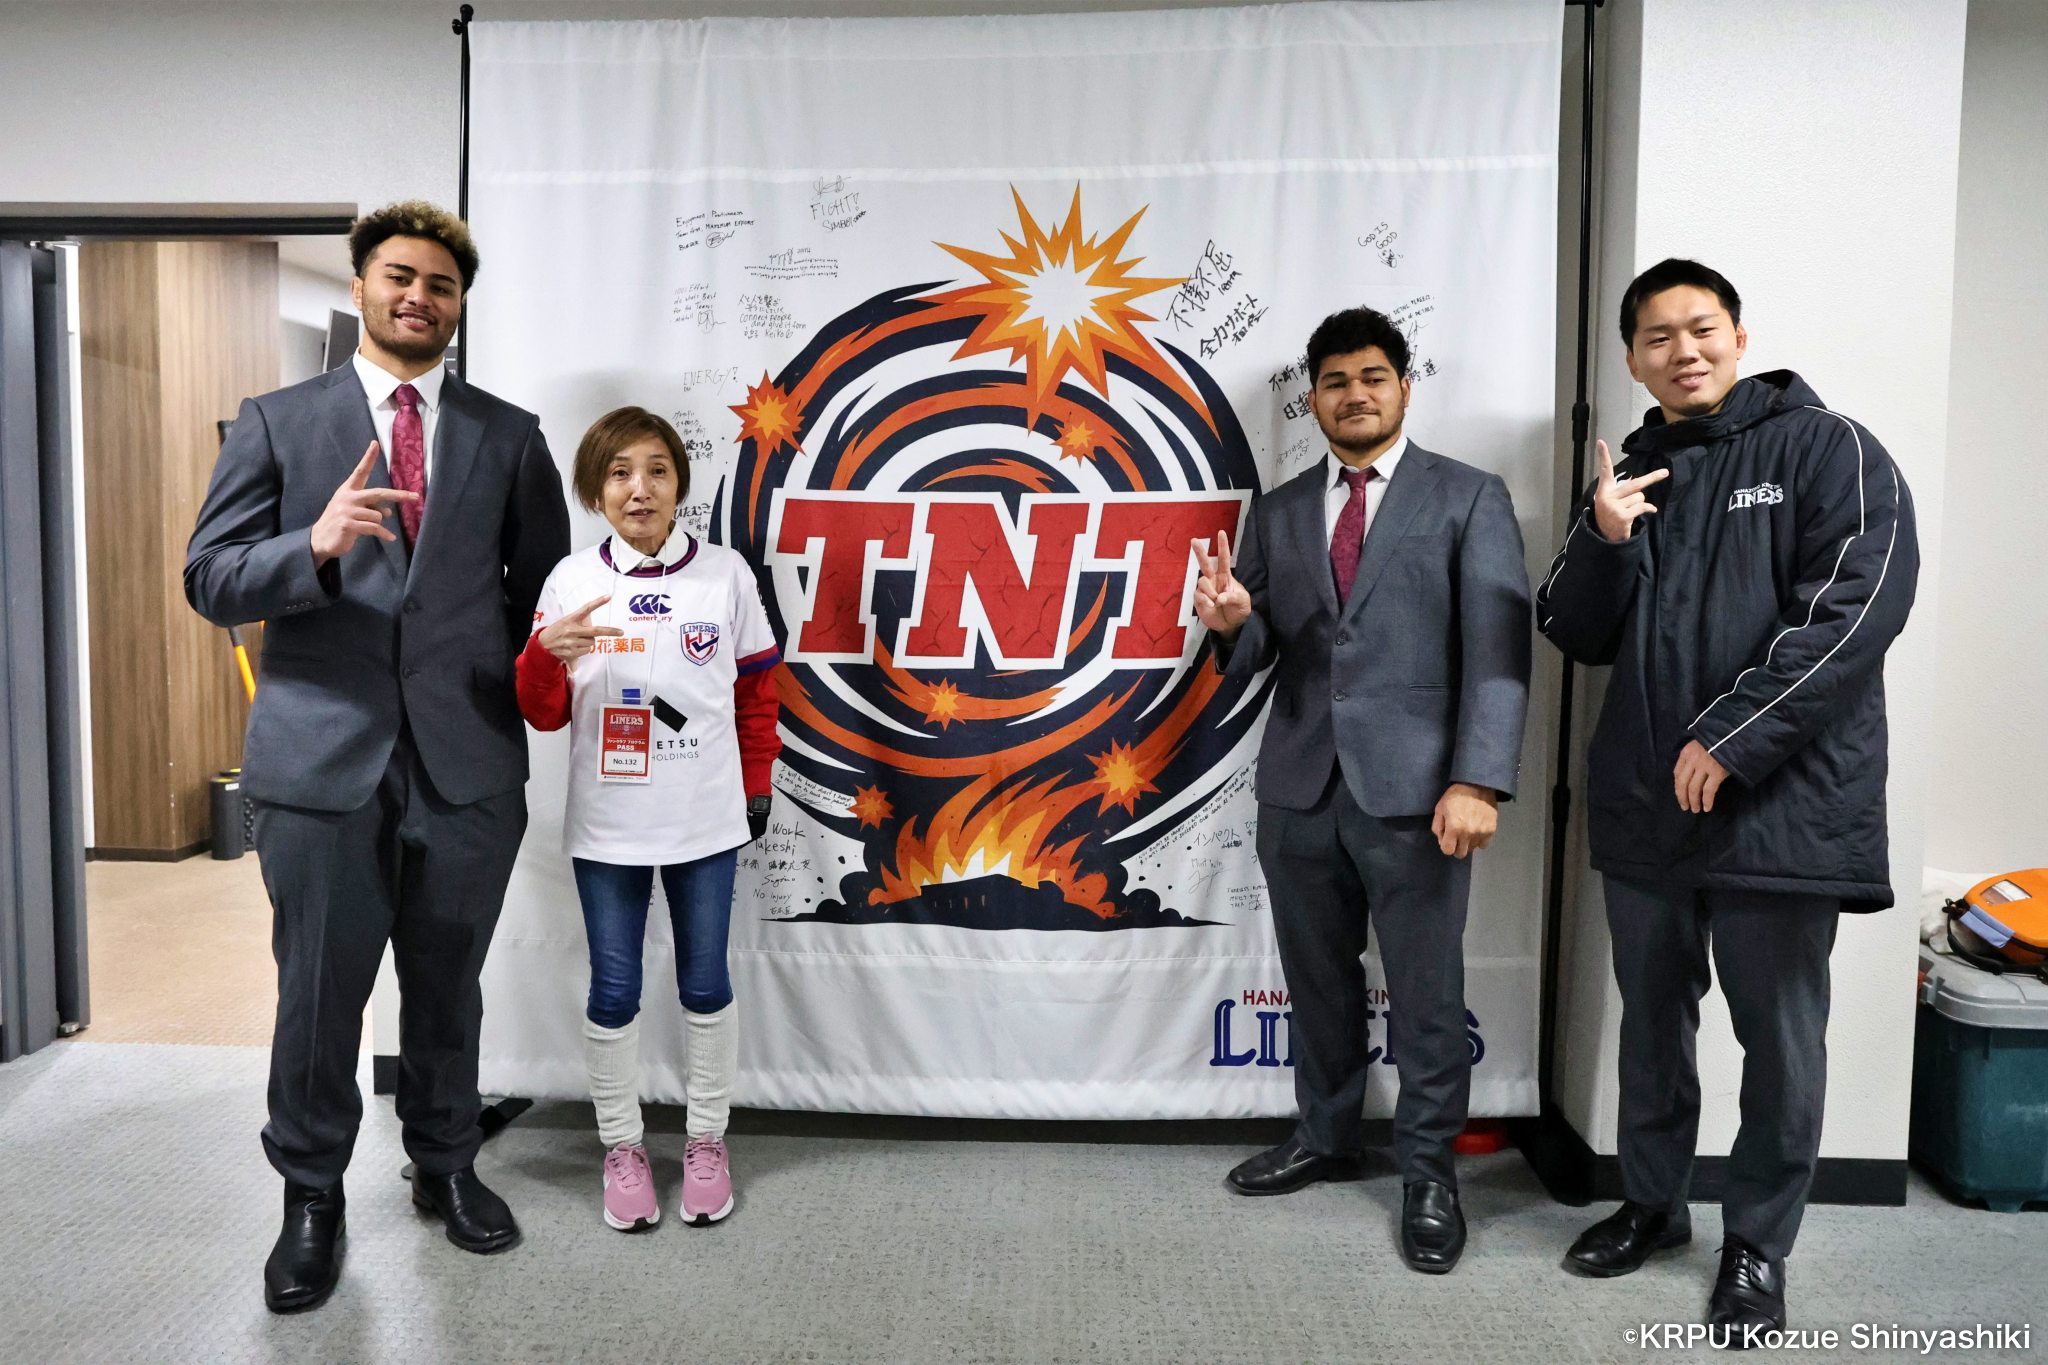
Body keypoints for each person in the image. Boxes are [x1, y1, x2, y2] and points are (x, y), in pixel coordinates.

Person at [185, 201, 570, 1312]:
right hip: (319, 763)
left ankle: (445, 1162)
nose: (419, 296)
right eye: (400, 275)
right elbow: (209, 577)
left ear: (458, 306)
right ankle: (311, 1194)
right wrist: (310, 545)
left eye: (441, 285)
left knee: (448, 983)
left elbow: (541, 593)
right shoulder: (278, 422)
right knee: (319, 991)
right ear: (360, 286)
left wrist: (554, 654)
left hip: (467, 762)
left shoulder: (508, 435)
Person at [1536, 259, 1917, 1337]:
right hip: (1645, 802)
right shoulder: (1630, 475)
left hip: (1778, 805)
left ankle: (1756, 1243)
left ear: (1738, 338)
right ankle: (1652, 1205)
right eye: (1656, 337)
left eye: (1700, 328)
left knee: (1779, 1040)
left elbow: (1856, 608)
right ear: (1632, 359)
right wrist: (1602, 537)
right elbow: (1569, 628)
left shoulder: (1827, 447)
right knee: (1652, 1025)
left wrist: (1733, 737)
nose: (1682, 350)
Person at [1194, 306, 1531, 1273]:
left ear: (1404, 388)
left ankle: (1429, 1173)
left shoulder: (1468, 495)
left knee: (1427, 992)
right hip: (1299, 786)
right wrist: (1232, 622)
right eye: (1336, 381)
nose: (1355, 395)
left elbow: (1499, 655)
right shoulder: (1281, 510)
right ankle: (1326, 1134)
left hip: (1422, 797)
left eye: (1373, 377)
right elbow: (1263, 647)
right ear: (1313, 399)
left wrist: (1478, 779)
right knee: (1316, 980)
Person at [516, 406, 781, 1233]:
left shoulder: (725, 575)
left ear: (679, 485)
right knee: (615, 986)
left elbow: (758, 695)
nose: (640, 488)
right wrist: (542, 657)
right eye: (620, 472)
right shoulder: (569, 581)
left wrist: (757, 783)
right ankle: (622, 1148)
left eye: (658, 470)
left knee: (705, 981)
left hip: (705, 818)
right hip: (609, 825)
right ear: (596, 490)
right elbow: (542, 712)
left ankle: (706, 1141)